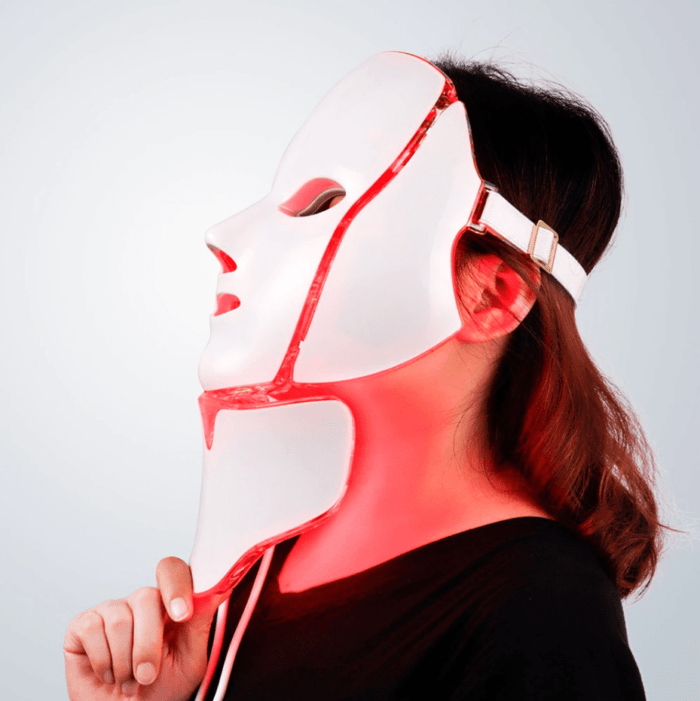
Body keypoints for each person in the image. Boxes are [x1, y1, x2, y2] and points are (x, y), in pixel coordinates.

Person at [64, 52, 669, 700]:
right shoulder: (260, 564)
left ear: (492, 297)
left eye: (319, 203)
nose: (222, 235)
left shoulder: (544, 616)